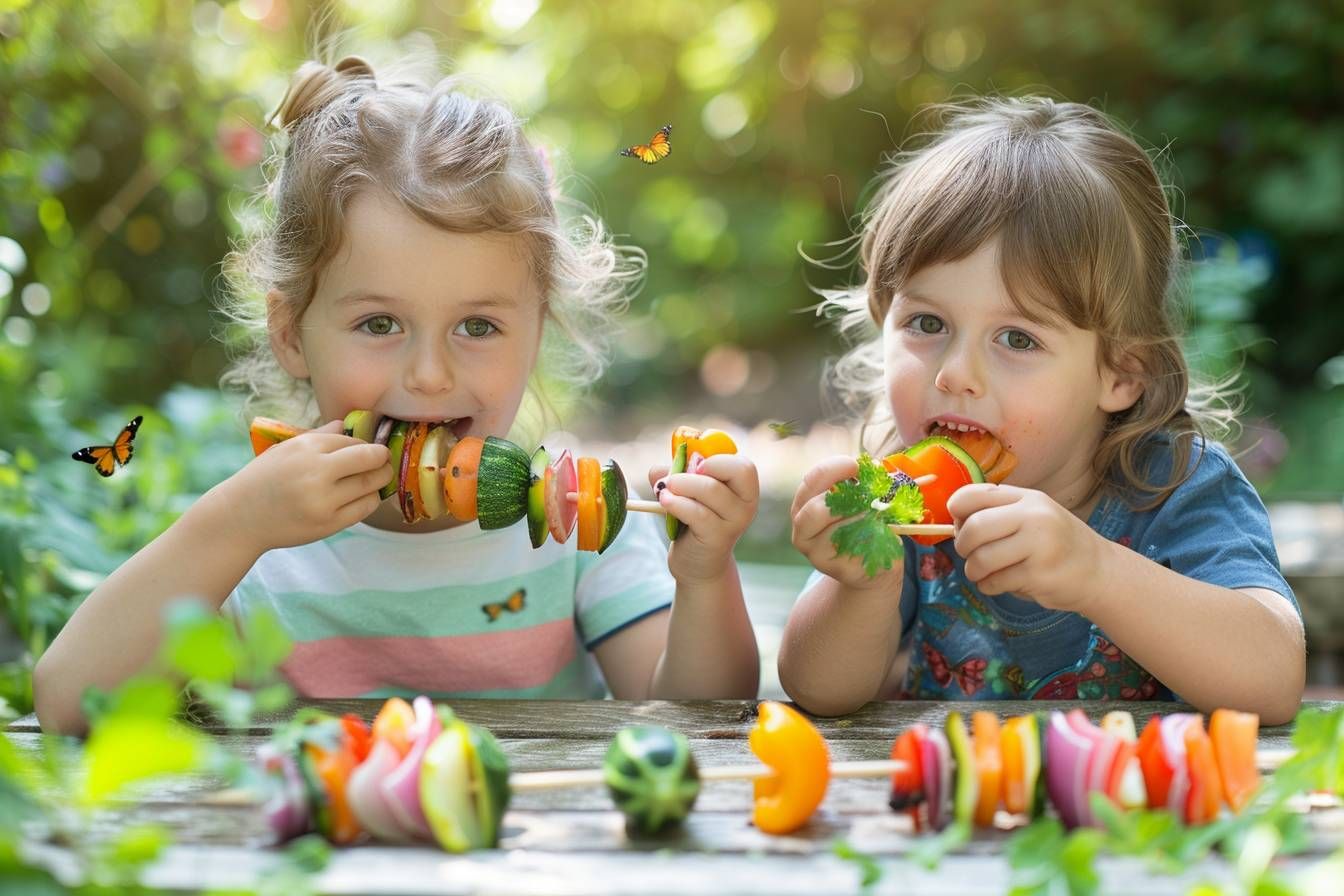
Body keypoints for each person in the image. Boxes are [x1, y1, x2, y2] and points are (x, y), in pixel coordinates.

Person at [35, 53, 759, 734]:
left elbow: (699, 716)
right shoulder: (256, 544)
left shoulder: (578, 526)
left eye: (478, 326)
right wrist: (232, 528)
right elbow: (72, 705)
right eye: (379, 324)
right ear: (291, 334)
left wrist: (704, 579)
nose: (430, 375)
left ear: (537, 331)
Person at [779, 96, 1303, 724]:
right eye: (927, 323)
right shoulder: (903, 494)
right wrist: (863, 587)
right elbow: (817, 690)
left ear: (1121, 372)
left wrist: (1096, 571)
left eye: (1017, 339)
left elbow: (1274, 678)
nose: (955, 373)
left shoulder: (1177, 486)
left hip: (1136, 785)